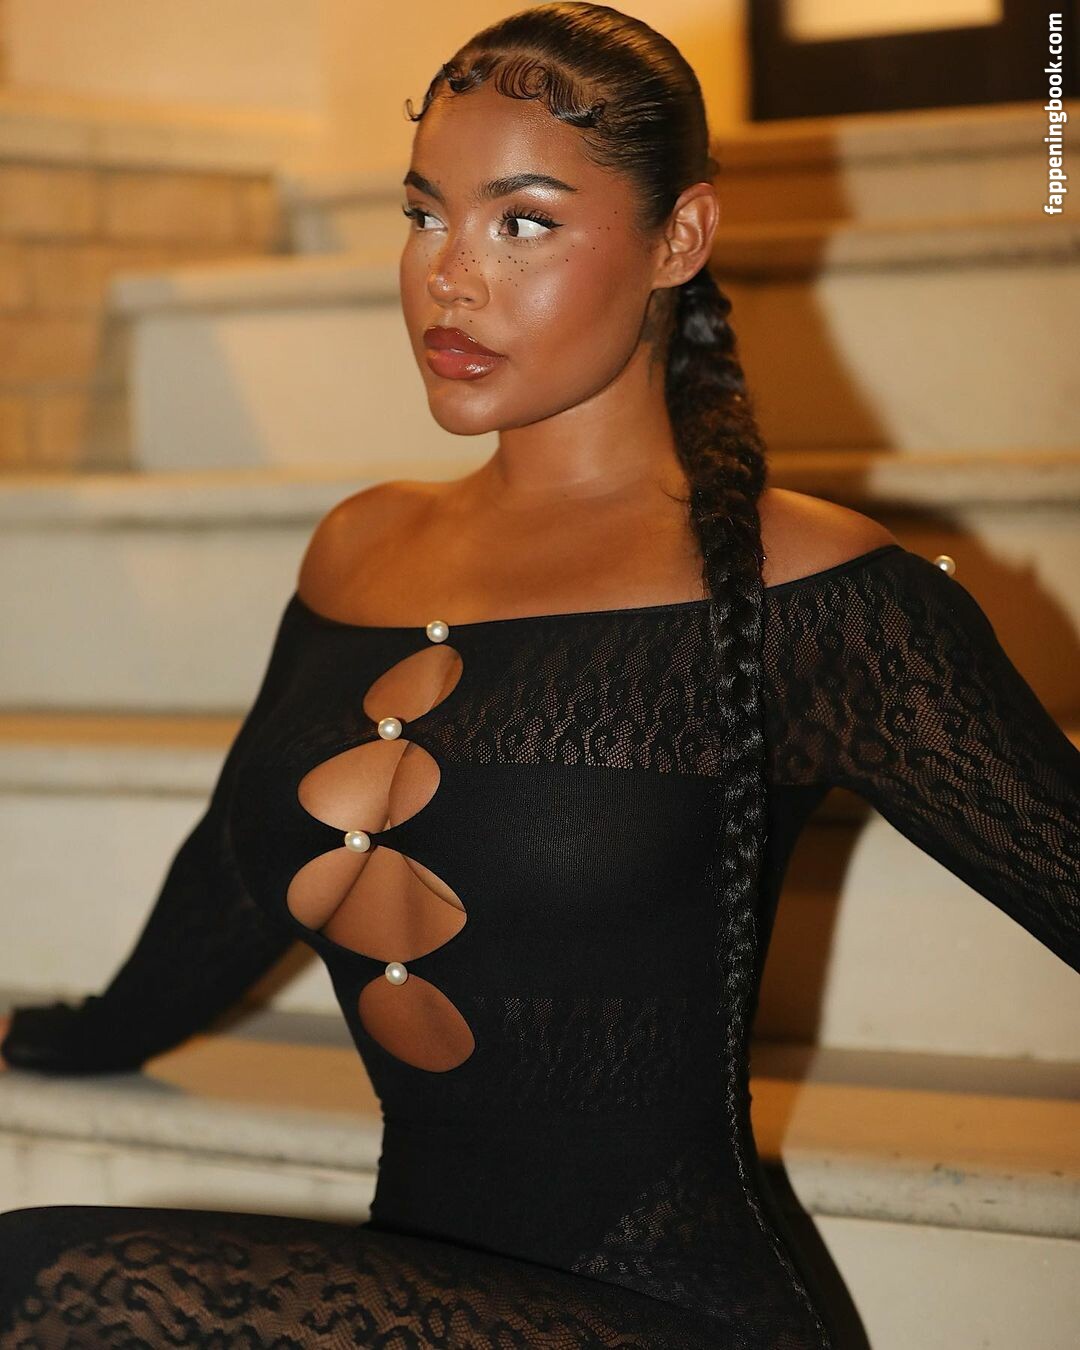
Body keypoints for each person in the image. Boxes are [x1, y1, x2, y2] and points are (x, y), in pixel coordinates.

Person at [1, 4, 1077, 1346]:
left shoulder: (815, 592)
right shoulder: (360, 549)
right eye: (423, 214)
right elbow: (231, 870)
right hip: (426, 1299)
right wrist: (75, 1034)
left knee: (40, 1285)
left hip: (673, 1308)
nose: (449, 278)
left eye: (522, 222)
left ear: (679, 239)